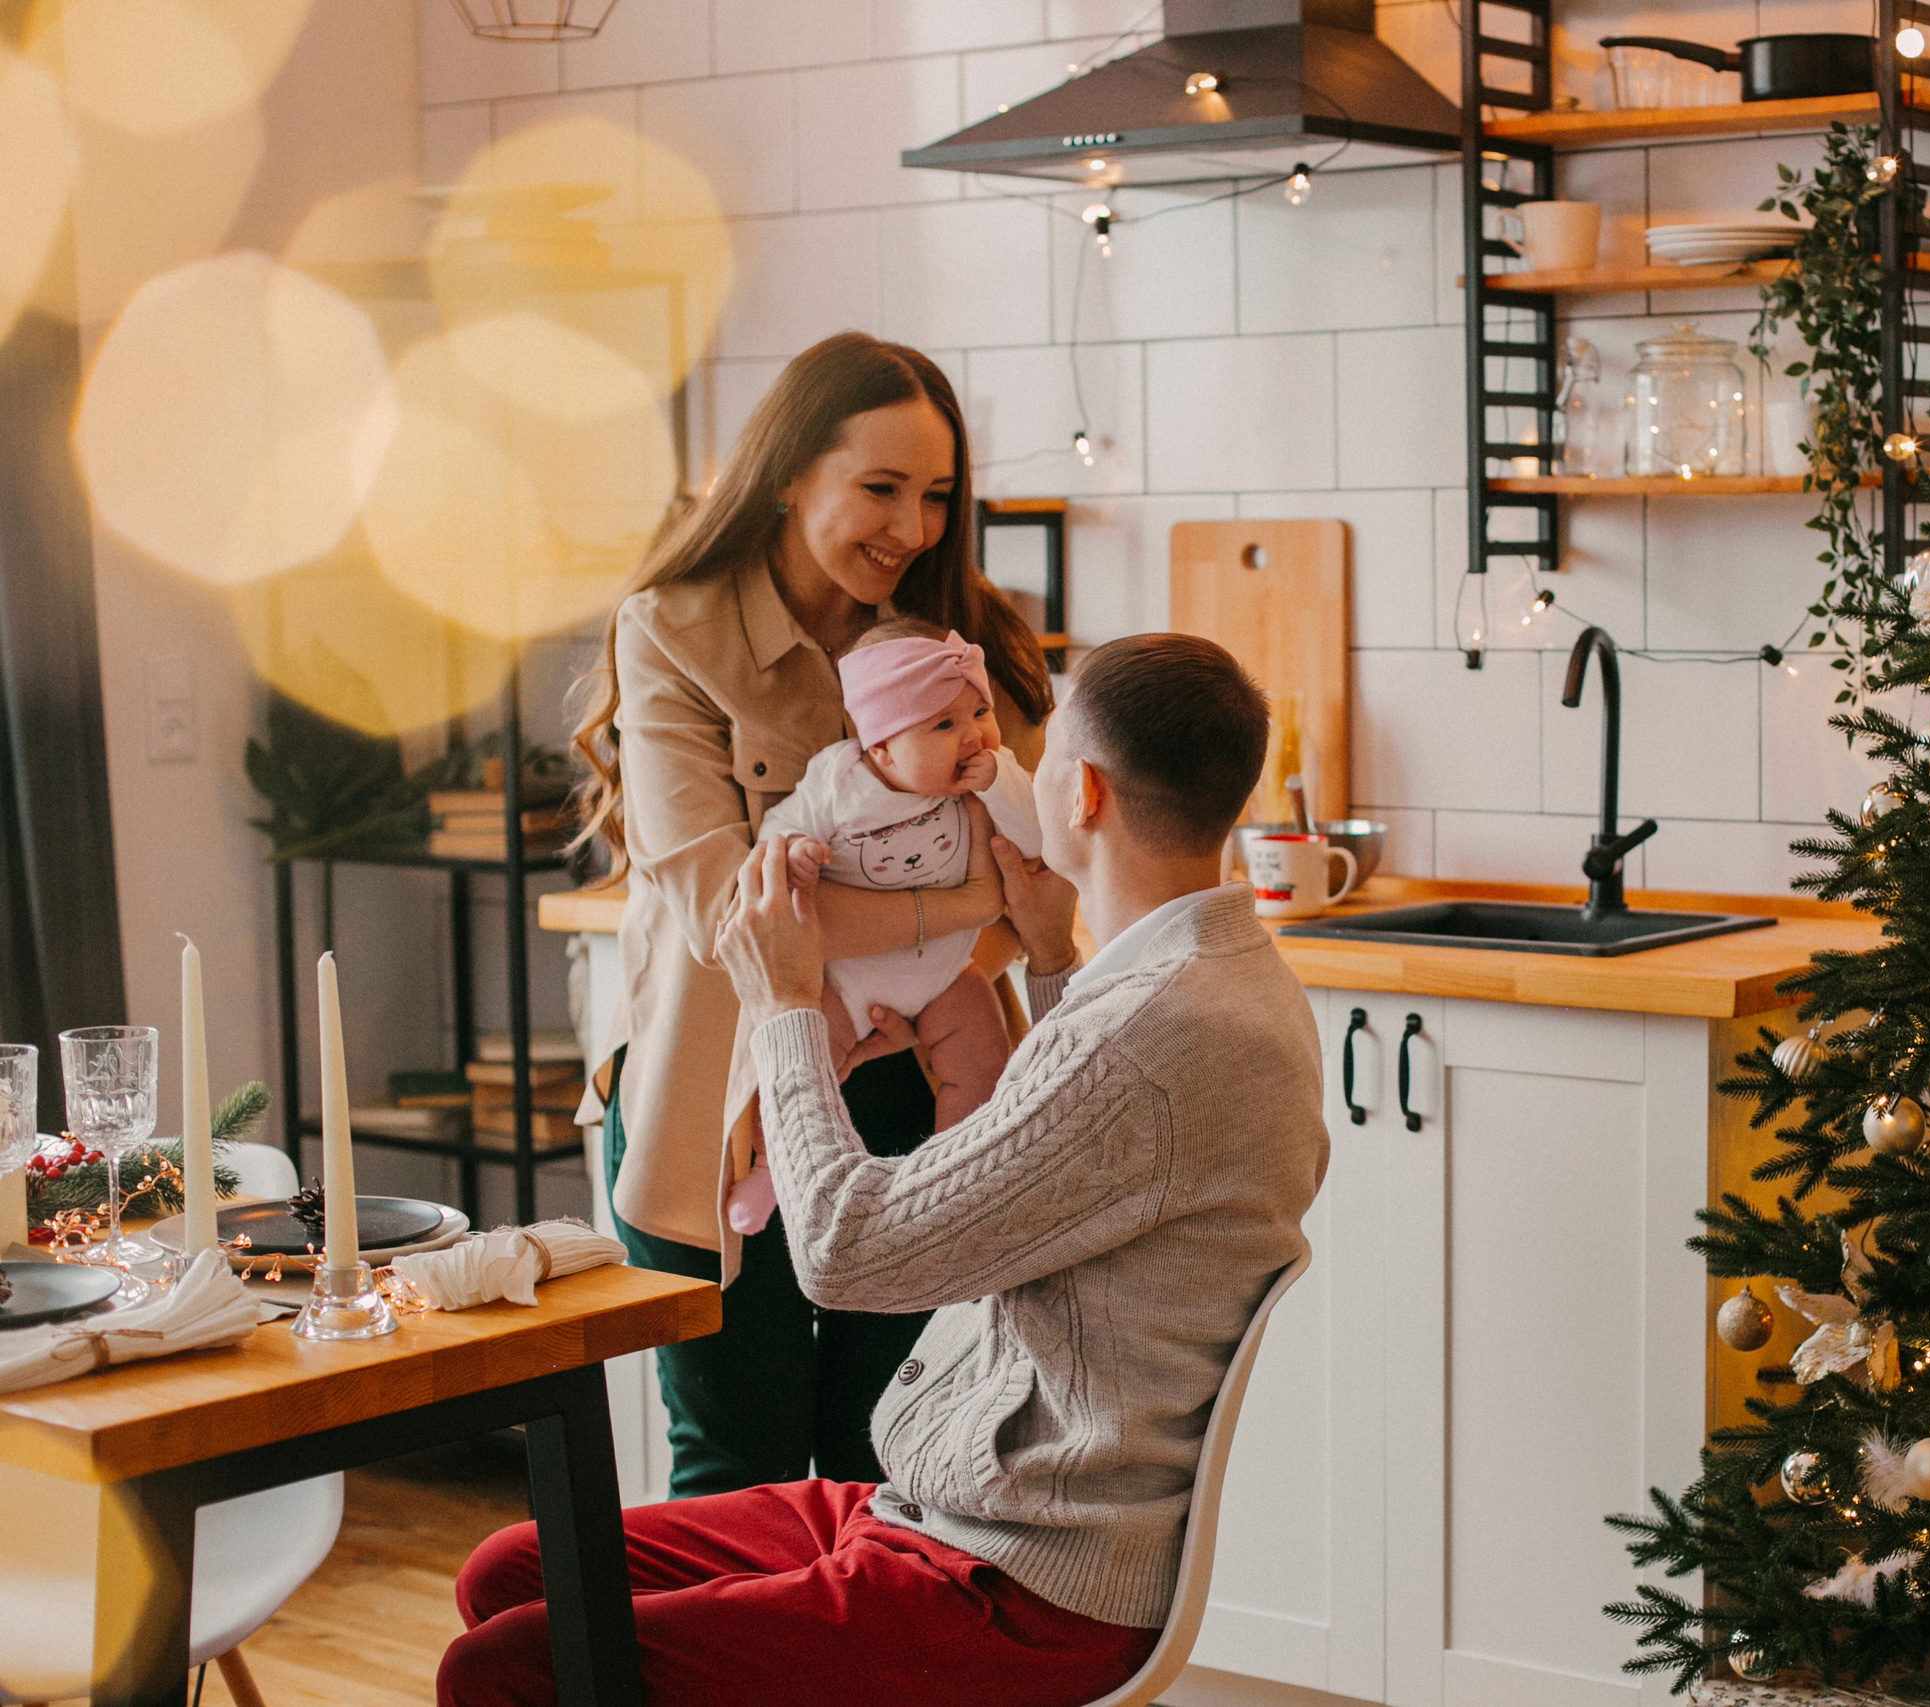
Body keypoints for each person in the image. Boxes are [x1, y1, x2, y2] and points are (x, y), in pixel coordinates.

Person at [442, 635, 1331, 1707]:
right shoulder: (1205, 971)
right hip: (948, 1501)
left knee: (507, 1666)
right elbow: (1092, 1163)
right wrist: (1049, 959)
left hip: (1015, 1578)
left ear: (1081, 793)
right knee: (513, 1570)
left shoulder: (1154, 1026)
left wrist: (785, 1008)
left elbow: (844, 1253)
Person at [568, 333, 1055, 1497]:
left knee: (889, 1466)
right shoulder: (672, 630)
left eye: (935, 495)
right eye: (879, 487)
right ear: (788, 473)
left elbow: (1049, 879)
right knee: (733, 1474)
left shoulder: (967, 641)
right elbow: (721, 912)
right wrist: (964, 907)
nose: (913, 526)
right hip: (710, 1111)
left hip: (914, 1102)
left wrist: (928, 947)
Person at [721, 619, 1039, 1235]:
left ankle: (955, 1172)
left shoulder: (991, 779)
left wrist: (1002, 787)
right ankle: (769, 1167)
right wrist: (792, 853)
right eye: (943, 725)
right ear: (881, 749)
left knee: (984, 1057)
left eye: (979, 711)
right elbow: (773, 835)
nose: (973, 736)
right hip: (847, 980)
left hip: (948, 975)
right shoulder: (838, 782)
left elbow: (1034, 841)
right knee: (798, 1057)